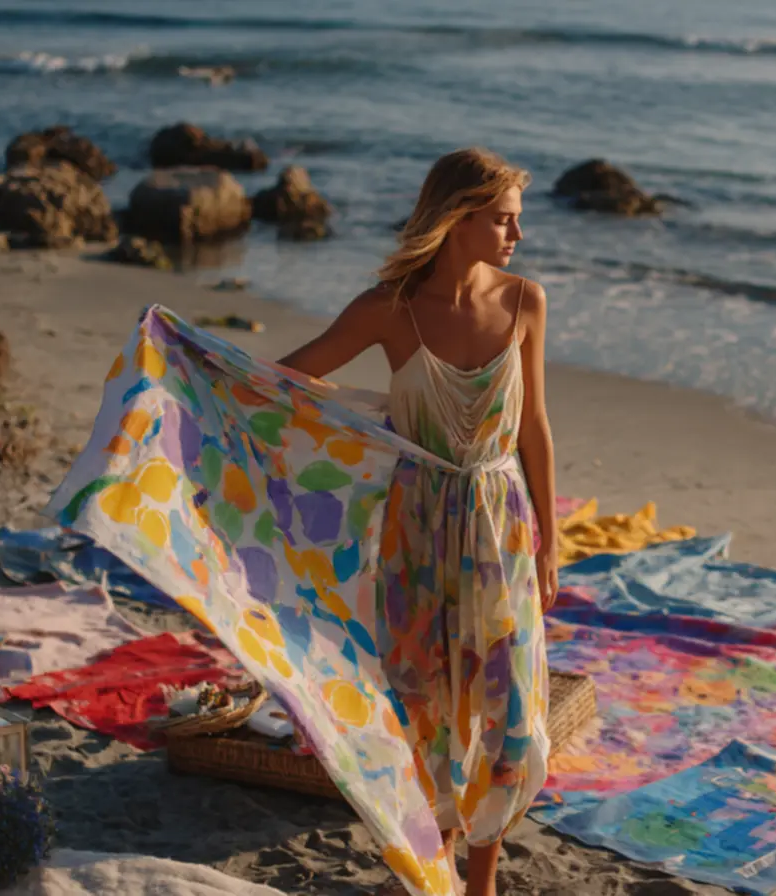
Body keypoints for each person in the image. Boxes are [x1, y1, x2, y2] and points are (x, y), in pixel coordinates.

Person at [277, 147, 558, 896]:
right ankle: (432, 864)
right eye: (503, 221)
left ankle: (482, 884)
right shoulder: (388, 309)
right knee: (421, 703)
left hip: (502, 528)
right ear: (460, 220)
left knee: (509, 708)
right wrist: (360, 420)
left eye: (516, 222)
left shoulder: (525, 301)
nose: (516, 237)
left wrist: (553, 539)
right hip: (417, 529)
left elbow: (534, 430)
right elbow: (286, 379)